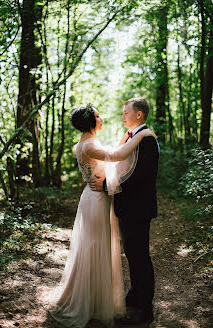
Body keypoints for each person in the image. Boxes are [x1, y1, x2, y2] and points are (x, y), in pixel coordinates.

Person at [48, 103, 156, 328]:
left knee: (102, 248)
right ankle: (91, 302)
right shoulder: (88, 145)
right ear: (90, 121)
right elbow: (115, 156)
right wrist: (140, 135)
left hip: (99, 198)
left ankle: (100, 299)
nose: (102, 118)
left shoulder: (90, 142)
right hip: (96, 200)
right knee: (96, 247)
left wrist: (129, 138)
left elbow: (112, 157)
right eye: (98, 116)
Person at [89, 97, 159, 325]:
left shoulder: (147, 140)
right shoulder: (131, 138)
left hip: (138, 208)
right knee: (132, 254)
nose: (123, 115)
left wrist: (107, 186)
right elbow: (120, 166)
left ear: (139, 114)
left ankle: (145, 309)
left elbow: (140, 177)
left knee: (140, 258)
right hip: (127, 207)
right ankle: (136, 295)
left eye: (126, 112)